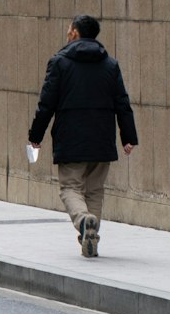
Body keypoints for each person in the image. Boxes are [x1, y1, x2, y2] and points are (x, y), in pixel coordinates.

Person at [28, 13, 138, 258]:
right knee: (95, 190)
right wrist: (128, 137)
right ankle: (92, 237)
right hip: (102, 138)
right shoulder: (110, 64)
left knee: (70, 187)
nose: (67, 33)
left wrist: (36, 135)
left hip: (71, 137)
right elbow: (122, 102)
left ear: (75, 33)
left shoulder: (60, 63)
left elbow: (46, 104)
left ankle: (83, 220)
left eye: (69, 29)